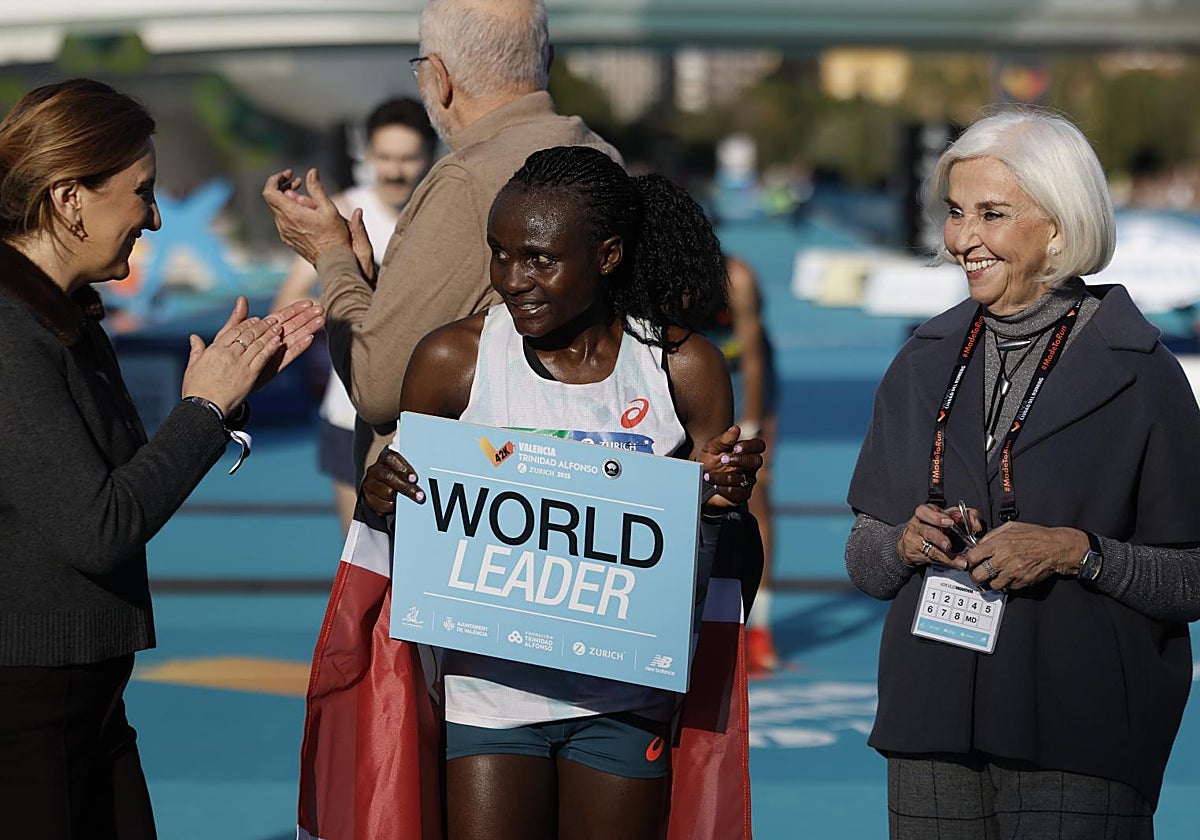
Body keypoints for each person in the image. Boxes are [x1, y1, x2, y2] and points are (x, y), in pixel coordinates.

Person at [355, 145, 764, 839]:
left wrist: (721, 504)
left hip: (624, 697)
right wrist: (380, 495)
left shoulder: (680, 368)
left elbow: (723, 554)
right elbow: (406, 536)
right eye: (499, 253)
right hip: (489, 698)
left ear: (606, 256)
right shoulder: (453, 360)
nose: (513, 279)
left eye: (539, 258)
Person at [844, 107, 1200, 839]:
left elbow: (1192, 577)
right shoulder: (921, 360)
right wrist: (905, 544)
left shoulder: (1143, 374)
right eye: (955, 212)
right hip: (931, 721)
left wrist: (1079, 553)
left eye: (992, 213)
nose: (963, 238)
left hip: (1080, 730)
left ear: (1061, 229)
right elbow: (864, 556)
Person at [0, 78, 324, 838]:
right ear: (69, 198)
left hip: (85, 700)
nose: (153, 216)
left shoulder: (65, 318)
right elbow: (100, 526)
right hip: (26, 712)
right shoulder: (13, 333)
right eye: (140, 192)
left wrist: (226, 400)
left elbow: (119, 487)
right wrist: (204, 411)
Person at [262, 0, 620, 484]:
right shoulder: (601, 154)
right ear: (548, 60)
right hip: (578, 482)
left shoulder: (466, 180)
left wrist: (331, 256)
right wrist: (369, 283)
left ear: (438, 78)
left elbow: (378, 385)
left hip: (467, 510)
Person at [272, 97, 437, 532]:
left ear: (430, 155)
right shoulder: (339, 212)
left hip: (427, 417)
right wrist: (358, 299)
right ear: (367, 156)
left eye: (408, 158)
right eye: (384, 157)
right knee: (360, 558)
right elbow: (287, 302)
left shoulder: (442, 215)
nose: (395, 170)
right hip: (348, 412)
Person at [704, 254, 780, 673]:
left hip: (745, 374)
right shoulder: (655, 275)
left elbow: (752, 358)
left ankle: (760, 630)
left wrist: (751, 424)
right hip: (700, 373)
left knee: (758, 491)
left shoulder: (738, 279)